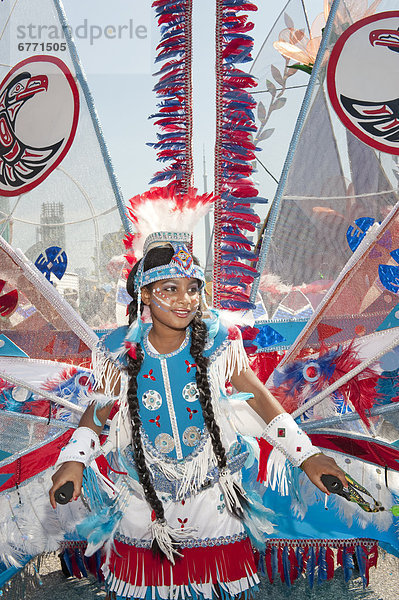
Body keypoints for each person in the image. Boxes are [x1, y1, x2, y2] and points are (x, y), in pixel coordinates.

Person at [49, 194, 346, 600]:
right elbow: (97, 414)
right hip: (144, 499)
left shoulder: (219, 342)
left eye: (193, 288)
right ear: (146, 295)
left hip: (213, 497)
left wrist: (307, 455)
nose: (185, 299)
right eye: (170, 288)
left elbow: (259, 400)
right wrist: (73, 462)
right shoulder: (119, 350)